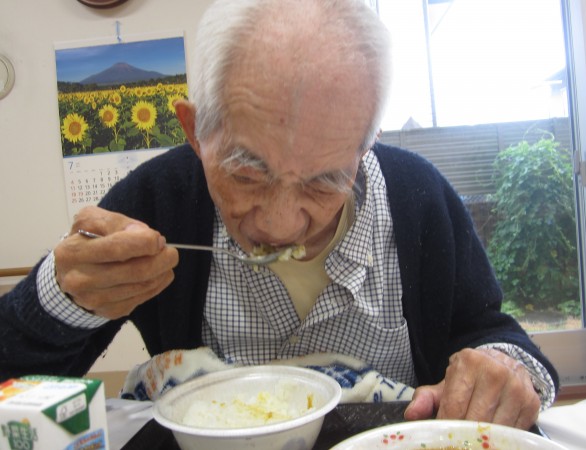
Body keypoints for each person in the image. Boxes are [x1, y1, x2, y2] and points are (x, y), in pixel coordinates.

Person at [0, 0, 557, 430]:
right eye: (247, 174)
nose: (281, 225)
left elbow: (491, 332)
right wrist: (63, 297)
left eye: (325, 180)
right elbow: (15, 379)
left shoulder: (418, 198)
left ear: (365, 146)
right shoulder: (159, 200)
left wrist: (503, 370)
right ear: (196, 131)